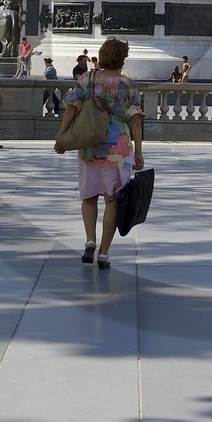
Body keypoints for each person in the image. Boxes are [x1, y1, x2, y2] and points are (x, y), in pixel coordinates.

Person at [56, 37, 144, 270]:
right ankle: (104, 253)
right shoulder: (129, 84)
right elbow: (135, 120)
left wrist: (63, 137)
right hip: (119, 146)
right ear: (123, 58)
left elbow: (71, 109)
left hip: (90, 143)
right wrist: (139, 153)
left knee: (88, 196)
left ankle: (90, 240)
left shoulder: (88, 79)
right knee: (112, 199)